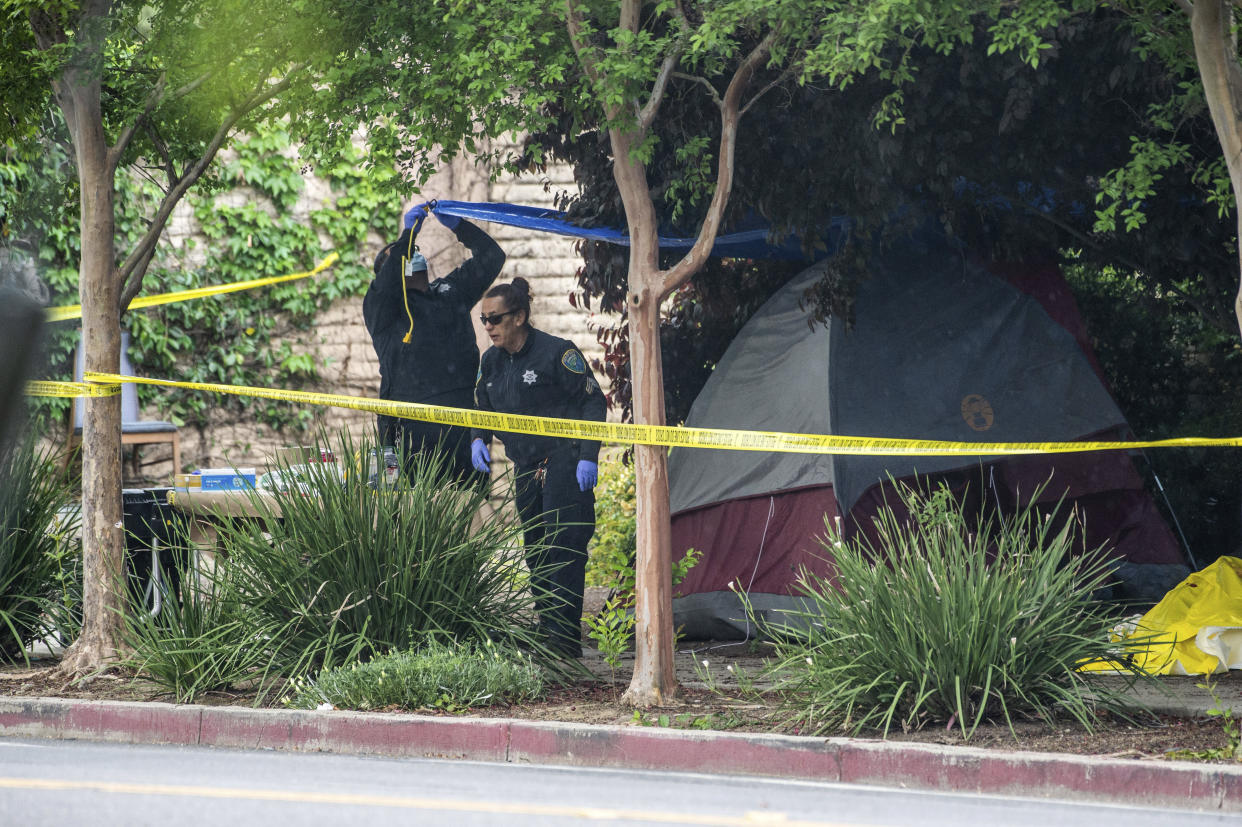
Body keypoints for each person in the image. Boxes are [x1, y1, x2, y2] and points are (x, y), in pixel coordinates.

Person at [470, 278, 606, 658]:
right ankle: (548, 634)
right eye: (483, 320)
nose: (488, 327)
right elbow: (484, 405)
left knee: (564, 550)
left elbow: (594, 402)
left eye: (495, 318)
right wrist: (479, 437)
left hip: (565, 462)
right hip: (526, 466)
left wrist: (587, 456)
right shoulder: (491, 361)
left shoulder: (556, 354)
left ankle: (564, 642)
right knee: (536, 551)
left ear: (520, 317)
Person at [364, 201, 504, 485]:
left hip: (461, 428)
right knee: (405, 519)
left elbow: (492, 256)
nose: (413, 254)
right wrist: (407, 236)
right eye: (403, 255)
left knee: (465, 516)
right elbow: (390, 278)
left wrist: (458, 226)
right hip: (407, 434)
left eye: (415, 251)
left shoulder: (450, 292)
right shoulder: (384, 309)